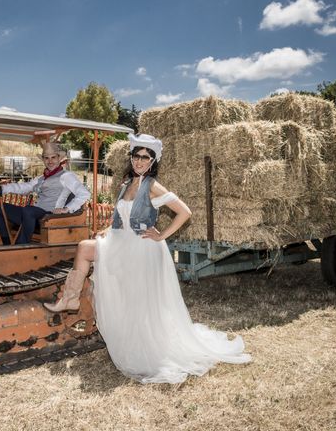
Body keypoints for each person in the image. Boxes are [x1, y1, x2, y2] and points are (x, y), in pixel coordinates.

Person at [44, 133, 251, 383]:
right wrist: (109, 230)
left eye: (145, 157)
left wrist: (161, 234)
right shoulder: (125, 184)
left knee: (137, 299)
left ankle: (144, 347)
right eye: (136, 156)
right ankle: (70, 298)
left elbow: (184, 212)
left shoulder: (151, 185)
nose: (139, 161)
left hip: (142, 247)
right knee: (85, 247)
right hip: (120, 241)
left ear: (152, 161)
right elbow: (121, 217)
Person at [0, 142, 90, 245]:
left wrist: (66, 209)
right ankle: (6, 243)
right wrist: (0, 188)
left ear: (59, 158)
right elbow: (24, 187)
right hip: (35, 215)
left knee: (28, 210)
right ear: (43, 160)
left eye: (53, 157)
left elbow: (84, 194)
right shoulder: (41, 178)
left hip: (50, 216)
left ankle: (21, 245)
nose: (50, 161)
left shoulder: (66, 176)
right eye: (46, 158)